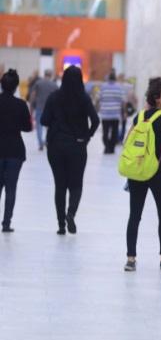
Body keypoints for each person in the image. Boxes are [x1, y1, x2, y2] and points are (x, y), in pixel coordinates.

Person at [124, 77, 161, 272]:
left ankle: (130, 259)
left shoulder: (139, 116)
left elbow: (127, 142)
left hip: (137, 170)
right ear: (157, 98)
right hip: (157, 171)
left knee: (135, 215)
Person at [41, 66, 100, 235]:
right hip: (77, 146)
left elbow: (44, 120)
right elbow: (95, 121)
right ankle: (71, 213)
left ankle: (60, 225)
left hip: (55, 146)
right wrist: (87, 137)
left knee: (60, 185)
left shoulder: (54, 97)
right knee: (76, 184)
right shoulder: (84, 98)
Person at [0, 70, 32, 232]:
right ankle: (6, 223)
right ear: (15, 87)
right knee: (11, 188)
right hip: (15, 150)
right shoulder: (20, 105)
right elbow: (28, 127)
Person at [97, 70, 125, 154]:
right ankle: (112, 148)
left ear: (108, 78)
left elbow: (98, 99)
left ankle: (106, 147)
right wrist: (123, 113)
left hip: (105, 114)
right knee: (114, 132)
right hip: (115, 114)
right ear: (115, 78)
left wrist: (99, 109)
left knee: (105, 132)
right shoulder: (119, 87)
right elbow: (123, 101)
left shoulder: (103, 87)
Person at [29, 69, 58, 151]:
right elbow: (58, 97)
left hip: (39, 107)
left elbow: (33, 95)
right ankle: (47, 141)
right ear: (51, 75)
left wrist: (31, 107)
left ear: (44, 74)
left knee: (39, 126)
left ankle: (40, 143)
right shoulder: (54, 85)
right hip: (51, 110)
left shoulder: (38, 83)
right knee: (49, 127)